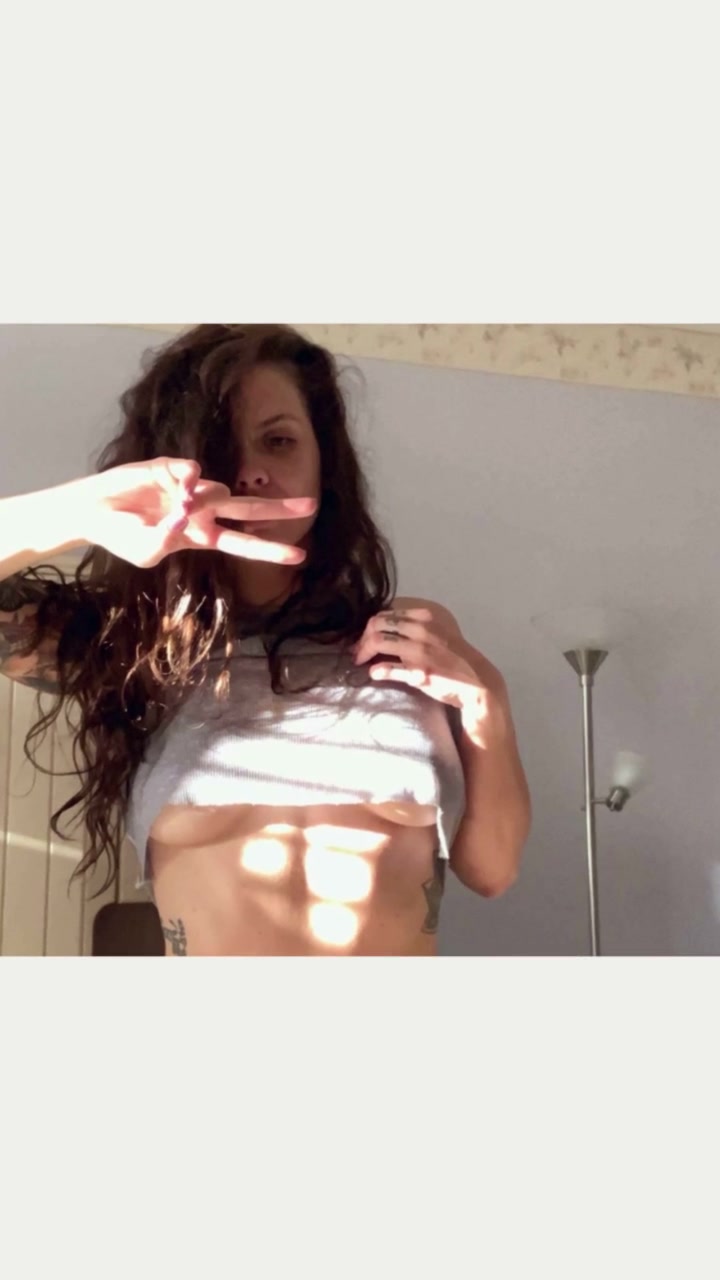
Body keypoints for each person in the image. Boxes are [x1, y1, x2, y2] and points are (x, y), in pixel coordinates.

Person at [0, 324, 531, 956]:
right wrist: (79, 511)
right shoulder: (133, 646)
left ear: (324, 464)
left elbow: (492, 871)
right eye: (221, 448)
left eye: (278, 441)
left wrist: (489, 702)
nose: (251, 472)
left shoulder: (406, 634)